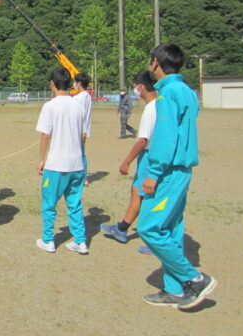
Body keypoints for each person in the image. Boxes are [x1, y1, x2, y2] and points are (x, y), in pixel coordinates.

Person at [137, 43, 216, 309]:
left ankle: (194, 278)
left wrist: (154, 172)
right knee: (170, 229)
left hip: (169, 171)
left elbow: (166, 136)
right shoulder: (187, 91)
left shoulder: (168, 93)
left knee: (148, 226)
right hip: (182, 169)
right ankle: (175, 290)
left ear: (156, 62)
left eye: (151, 60)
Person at [36, 67, 88, 255]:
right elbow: (83, 135)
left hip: (56, 164)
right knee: (74, 203)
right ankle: (80, 241)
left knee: (49, 203)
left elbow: (45, 135)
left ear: (52, 84)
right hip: (77, 163)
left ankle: (48, 239)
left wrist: (41, 159)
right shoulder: (79, 106)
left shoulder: (50, 106)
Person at [101, 70, 157, 243]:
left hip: (149, 155)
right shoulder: (161, 105)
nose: (135, 91)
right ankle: (125, 228)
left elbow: (142, 140)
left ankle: (123, 230)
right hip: (156, 154)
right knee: (144, 193)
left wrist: (126, 162)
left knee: (138, 192)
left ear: (141, 87)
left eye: (135, 87)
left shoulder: (150, 110)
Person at [73, 73, 92, 186]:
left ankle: (80, 177)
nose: (74, 84)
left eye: (75, 82)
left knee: (77, 154)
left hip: (79, 131)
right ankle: (83, 177)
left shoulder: (79, 98)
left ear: (79, 83)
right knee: (81, 154)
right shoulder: (87, 96)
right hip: (84, 130)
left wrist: (83, 130)